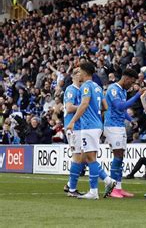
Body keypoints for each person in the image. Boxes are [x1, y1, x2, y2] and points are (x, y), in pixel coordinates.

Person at [66, 61, 116, 200]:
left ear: (85, 72)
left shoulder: (86, 87)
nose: (78, 74)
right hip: (97, 125)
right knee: (89, 157)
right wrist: (95, 110)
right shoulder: (98, 87)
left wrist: (72, 121)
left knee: (90, 158)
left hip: (89, 126)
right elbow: (105, 106)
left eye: (80, 71)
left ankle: (93, 191)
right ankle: (106, 182)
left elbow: (84, 104)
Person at [104, 68, 143, 198]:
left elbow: (122, 110)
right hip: (112, 126)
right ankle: (111, 189)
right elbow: (120, 106)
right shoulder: (113, 89)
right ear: (126, 78)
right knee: (118, 155)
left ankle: (118, 188)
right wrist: (138, 95)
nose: (131, 85)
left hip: (120, 125)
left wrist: (130, 119)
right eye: (131, 82)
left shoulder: (123, 91)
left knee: (121, 157)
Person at [63, 68, 85, 197]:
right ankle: (72, 189)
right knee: (78, 156)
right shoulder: (71, 89)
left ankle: (70, 184)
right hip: (73, 127)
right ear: (74, 76)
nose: (81, 75)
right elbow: (69, 107)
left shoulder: (81, 90)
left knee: (82, 157)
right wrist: (84, 106)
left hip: (80, 127)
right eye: (79, 73)